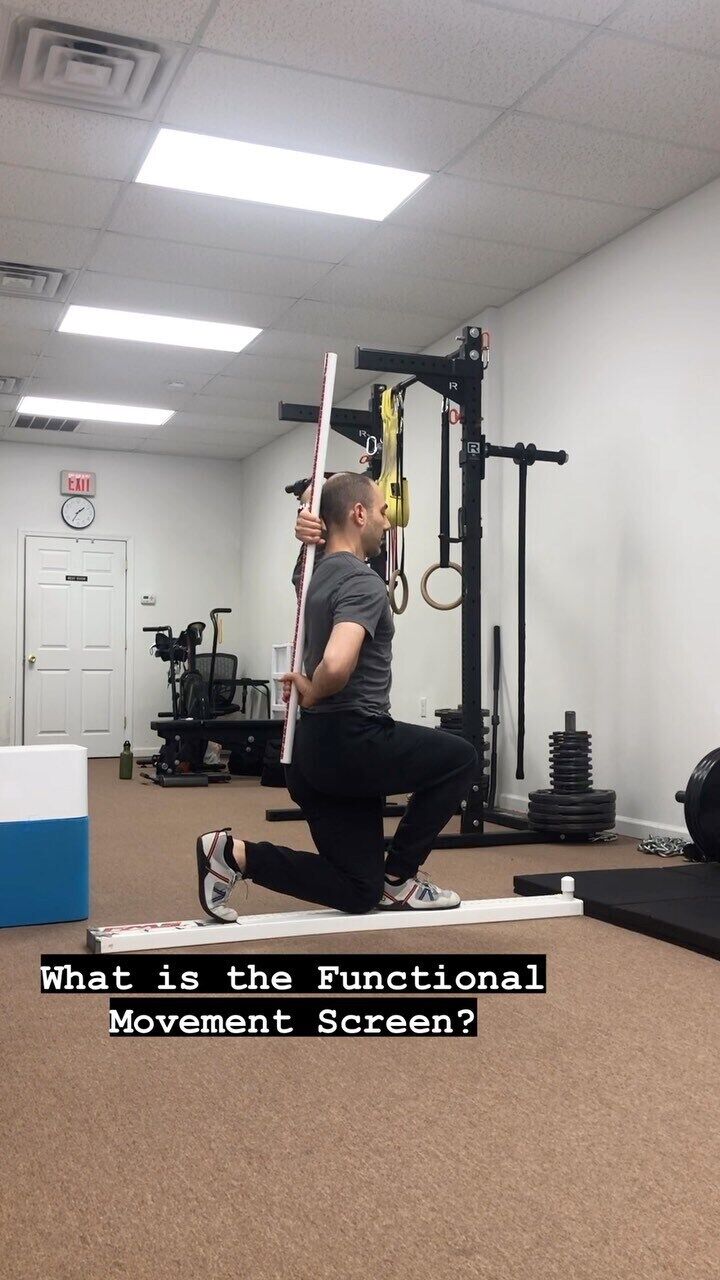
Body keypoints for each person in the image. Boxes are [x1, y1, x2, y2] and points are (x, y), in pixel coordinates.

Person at [196, 472, 476, 922]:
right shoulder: (364, 582)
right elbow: (337, 663)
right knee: (461, 759)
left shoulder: (309, 574)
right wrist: (312, 690)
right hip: (353, 743)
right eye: (382, 511)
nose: (388, 522)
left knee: (358, 889)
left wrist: (309, 513)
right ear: (359, 514)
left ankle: (233, 855)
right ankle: (400, 876)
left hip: (310, 754)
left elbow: (314, 537)